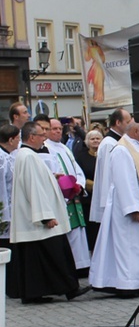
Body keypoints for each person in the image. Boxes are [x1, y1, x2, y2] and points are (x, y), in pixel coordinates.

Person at [89, 120, 139, 297]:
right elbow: (123, 181)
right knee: (132, 248)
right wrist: (132, 208)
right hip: (133, 209)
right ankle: (130, 284)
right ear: (135, 130)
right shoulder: (121, 150)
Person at [10, 122, 89, 304]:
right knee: (56, 255)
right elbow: (33, 188)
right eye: (41, 135)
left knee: (38, 259)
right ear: (31, 138)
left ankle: (36, 293)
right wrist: (46, 217)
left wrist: (51, 177)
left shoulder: (26, 155)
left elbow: (36, 180)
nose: (44, 138)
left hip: (34, 220)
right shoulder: (28, 156)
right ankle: (69, 289)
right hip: (40, 219)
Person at [44, 118, 90, 274]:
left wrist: (79, 184)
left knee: (78, 230)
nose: (57, 131)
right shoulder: (46, 148)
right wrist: (67, 188)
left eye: (59, 129)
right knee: (68, 231)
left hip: (74, 193)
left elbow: (76, 168)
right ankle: (73, 266)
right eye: (53, 129)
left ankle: (82, 265)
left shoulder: (64, 147)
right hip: (64, 195)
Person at [90, 108, 132, 223]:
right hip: (112, 203)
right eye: (128, 122)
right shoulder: (109, 143)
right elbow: (107, 177)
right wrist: (109, 204)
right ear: (118, 122)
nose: (130, 125)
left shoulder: (118, 141)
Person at [74, 128, 103, 251]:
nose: (95, 141)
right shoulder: (81, 156)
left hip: (103, 196)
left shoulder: (105, 154)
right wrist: (95, 185)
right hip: (88, 197)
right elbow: (79, 175)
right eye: (92, 139)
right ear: (87, 141)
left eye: (98, 138)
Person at [0, 125, 20, 297]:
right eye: (18, 138)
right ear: (11, 139)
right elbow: (2, 189)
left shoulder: (10, 156)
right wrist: (5, 215)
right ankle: (8, 286)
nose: (19, 141)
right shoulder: (2, 159)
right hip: (5, 212)